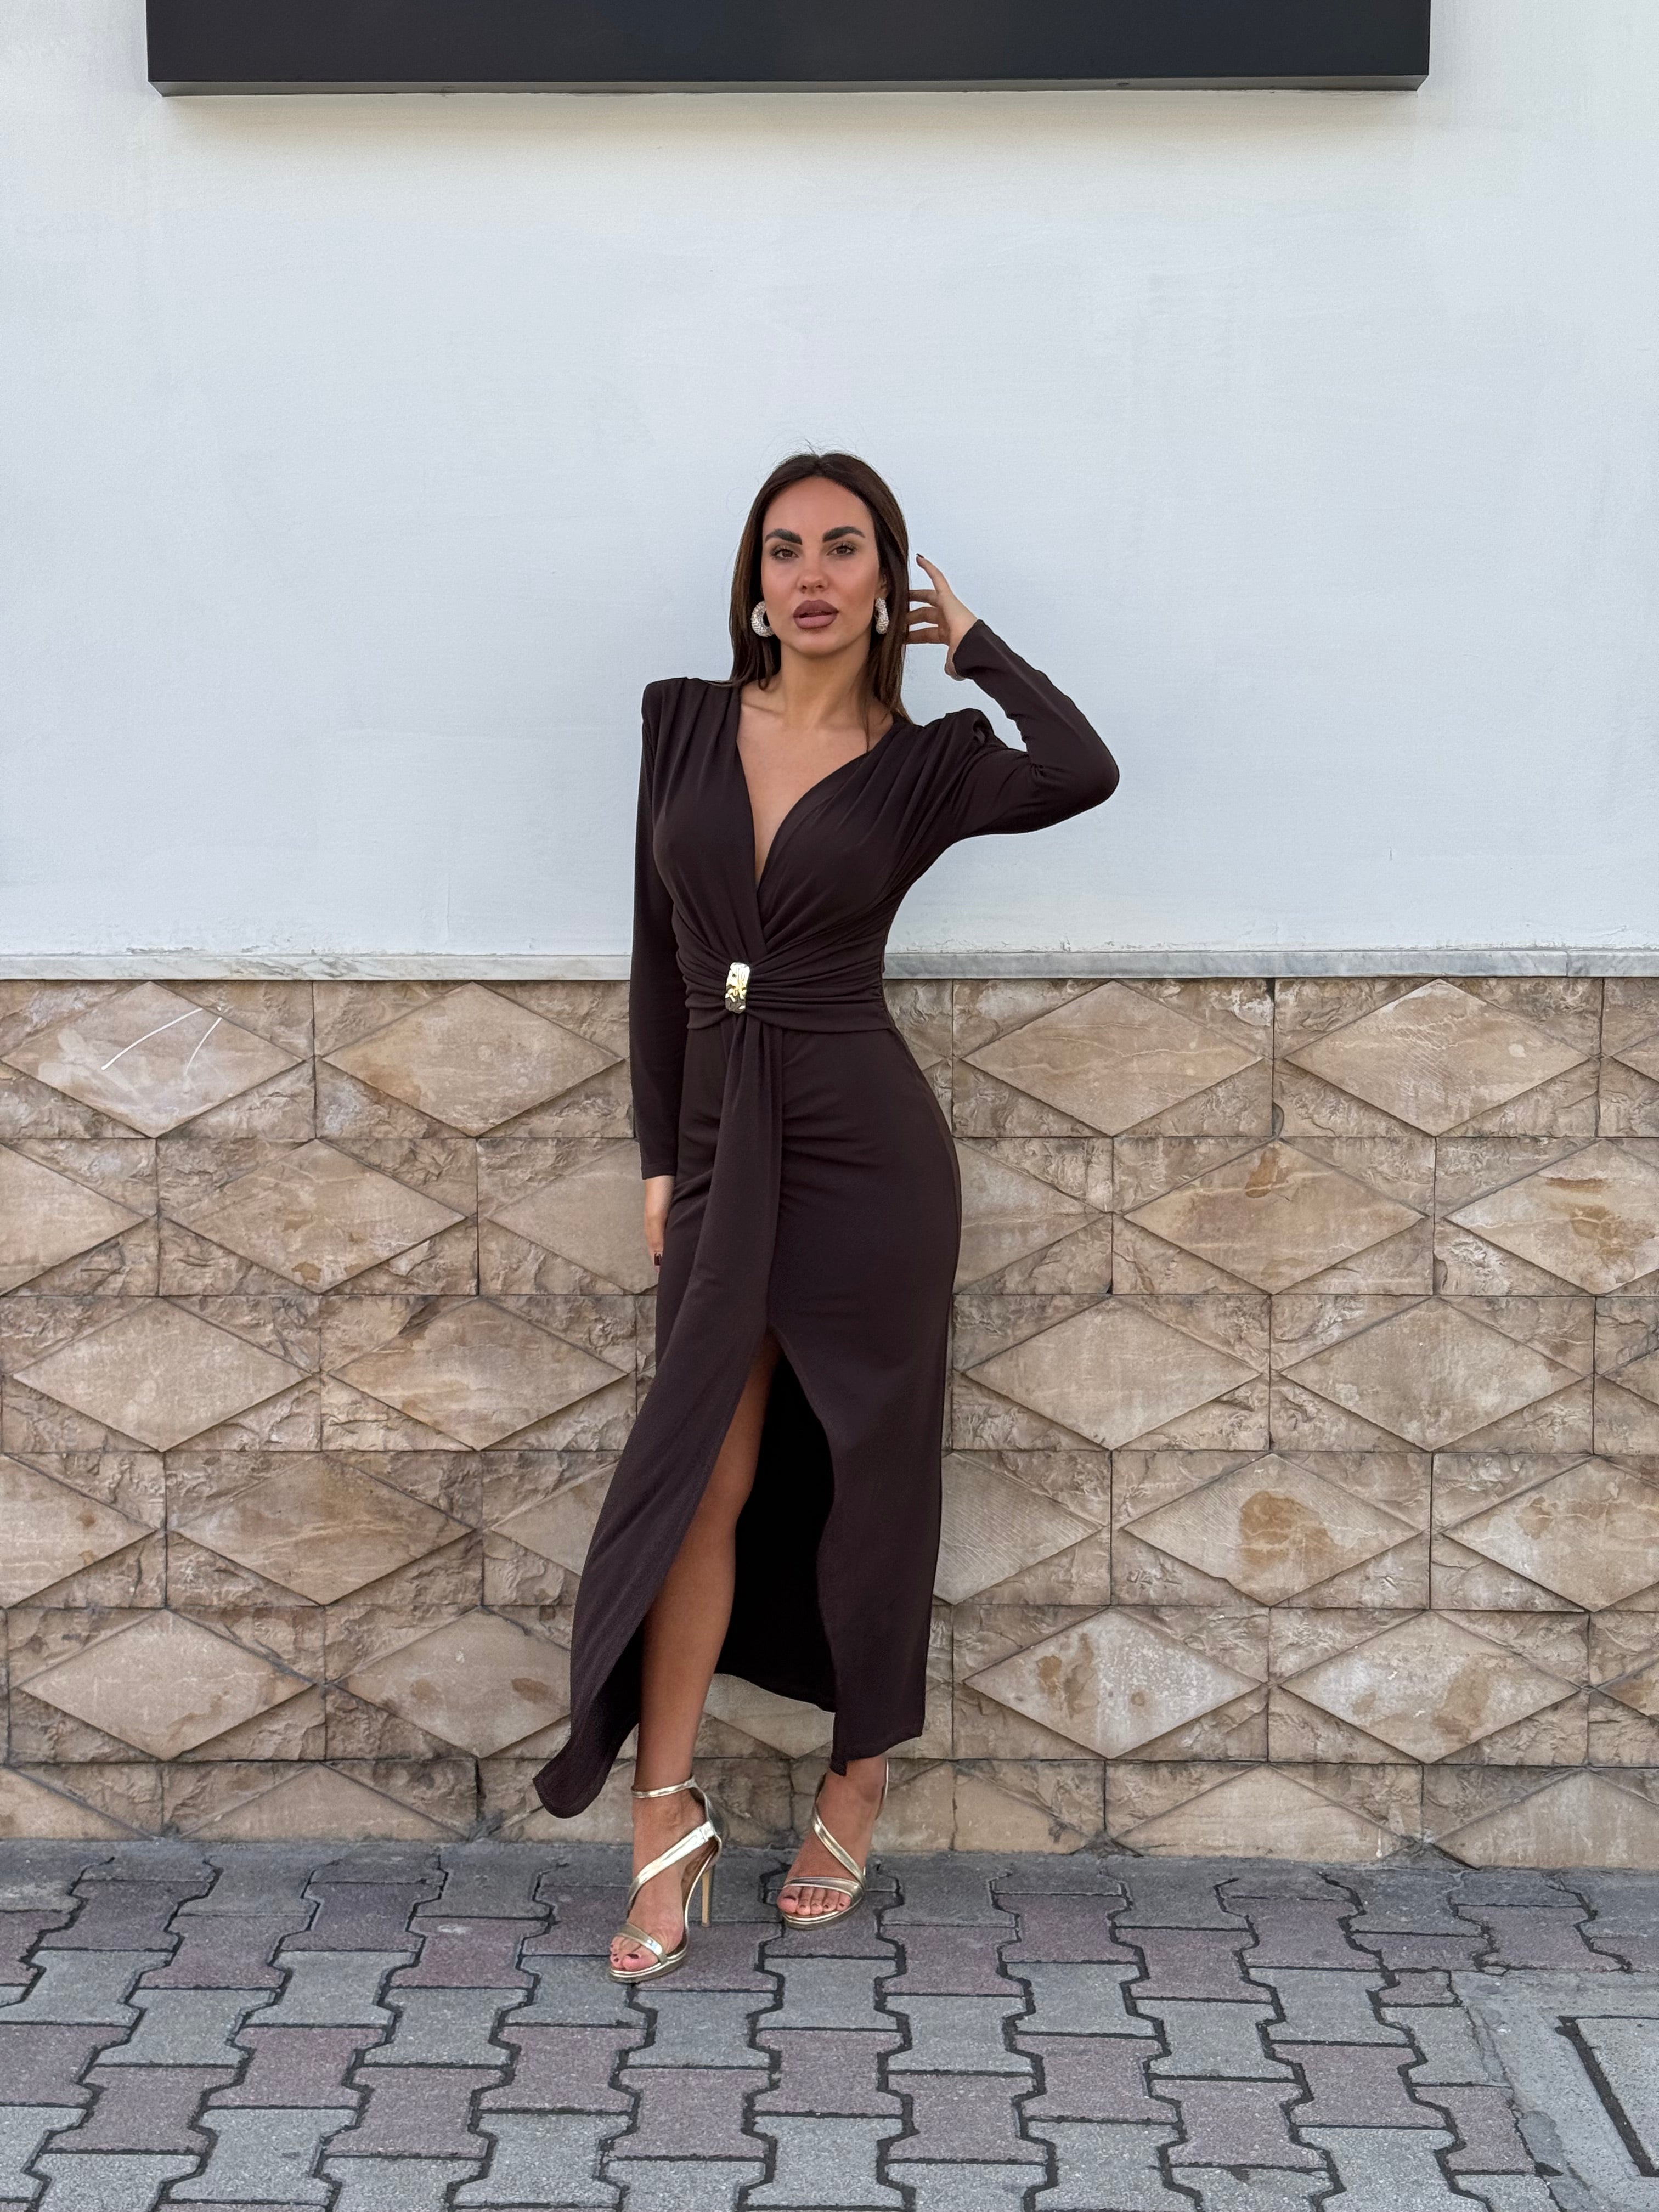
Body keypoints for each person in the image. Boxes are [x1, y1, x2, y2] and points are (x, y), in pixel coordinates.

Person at [532, 450, 1120, 1980]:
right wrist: (662, 1157)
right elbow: (657, 952)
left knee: (873, 1473)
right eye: (785, 548)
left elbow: (1082, 771)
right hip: (720, 1149)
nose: (811, 574)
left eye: (844, 549)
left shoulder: (927, 766)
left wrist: (978, 649)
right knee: (697, 1477)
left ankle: (856, 1781)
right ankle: (664, 1818)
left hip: (870, 1154)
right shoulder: (680, 721)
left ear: (885, 580)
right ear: (753, 581)